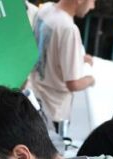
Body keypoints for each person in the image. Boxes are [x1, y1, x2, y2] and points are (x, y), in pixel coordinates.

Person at [29, 0, 96, 133]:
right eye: (93, 1)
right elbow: (73, 84)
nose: (93, 6)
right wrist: (91, 79)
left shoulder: (45, 10)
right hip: (53, 114)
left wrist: (78, 58)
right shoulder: (69, 29)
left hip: (34, 100)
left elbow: (47, 51)